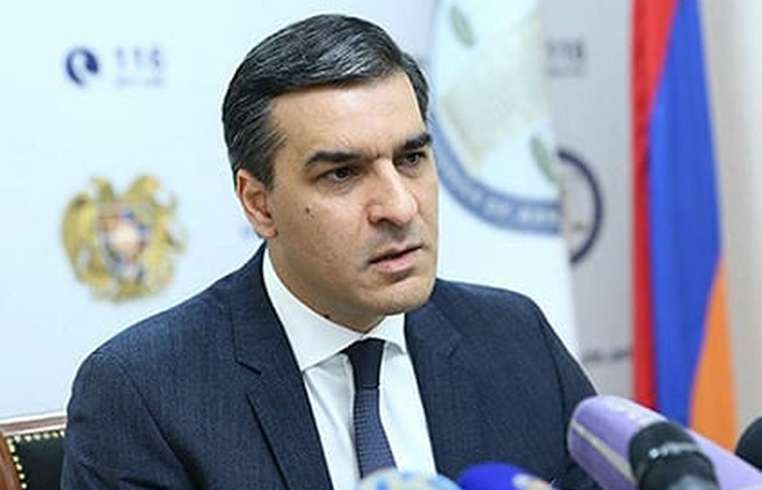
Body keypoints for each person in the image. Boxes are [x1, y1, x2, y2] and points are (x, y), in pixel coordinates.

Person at [61, 14, 598, 490]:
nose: (399, 207)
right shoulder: (145, 393)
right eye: (342, 174)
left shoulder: (514, 337)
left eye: (411, 159)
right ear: (259, 204)